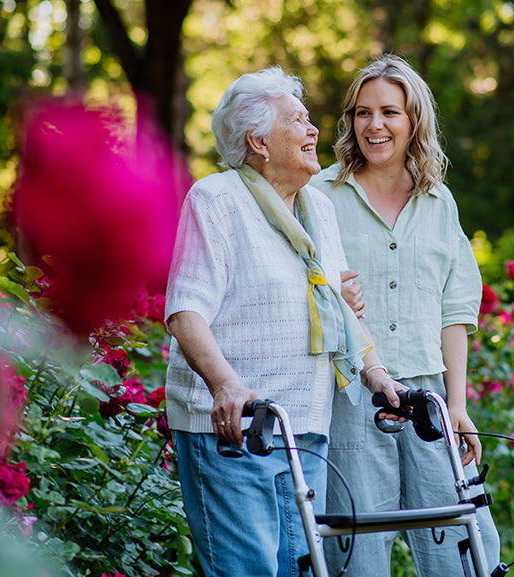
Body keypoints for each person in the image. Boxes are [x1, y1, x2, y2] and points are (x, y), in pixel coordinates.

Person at [164, 65, 403, 577]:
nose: (315, 130)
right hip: (234, 428)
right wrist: (226, 385)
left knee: (297, 569)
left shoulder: (316, 207)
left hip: (303, 426)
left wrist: (377, 373)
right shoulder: (217, 200)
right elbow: (185, 311)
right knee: (248, 569)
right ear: (258, 141)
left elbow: (336, 304)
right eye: (298, 120)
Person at [312, 54, 501, 576]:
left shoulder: (439, 202)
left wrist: (457, 406)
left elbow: (455, 311)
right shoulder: (319, 197)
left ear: (414, 120)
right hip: (349, 396)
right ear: (350, 120)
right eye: (363, 112)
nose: (375, 125)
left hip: (429, 399)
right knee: (356, 555)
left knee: (465, 552)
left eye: (390, 112)